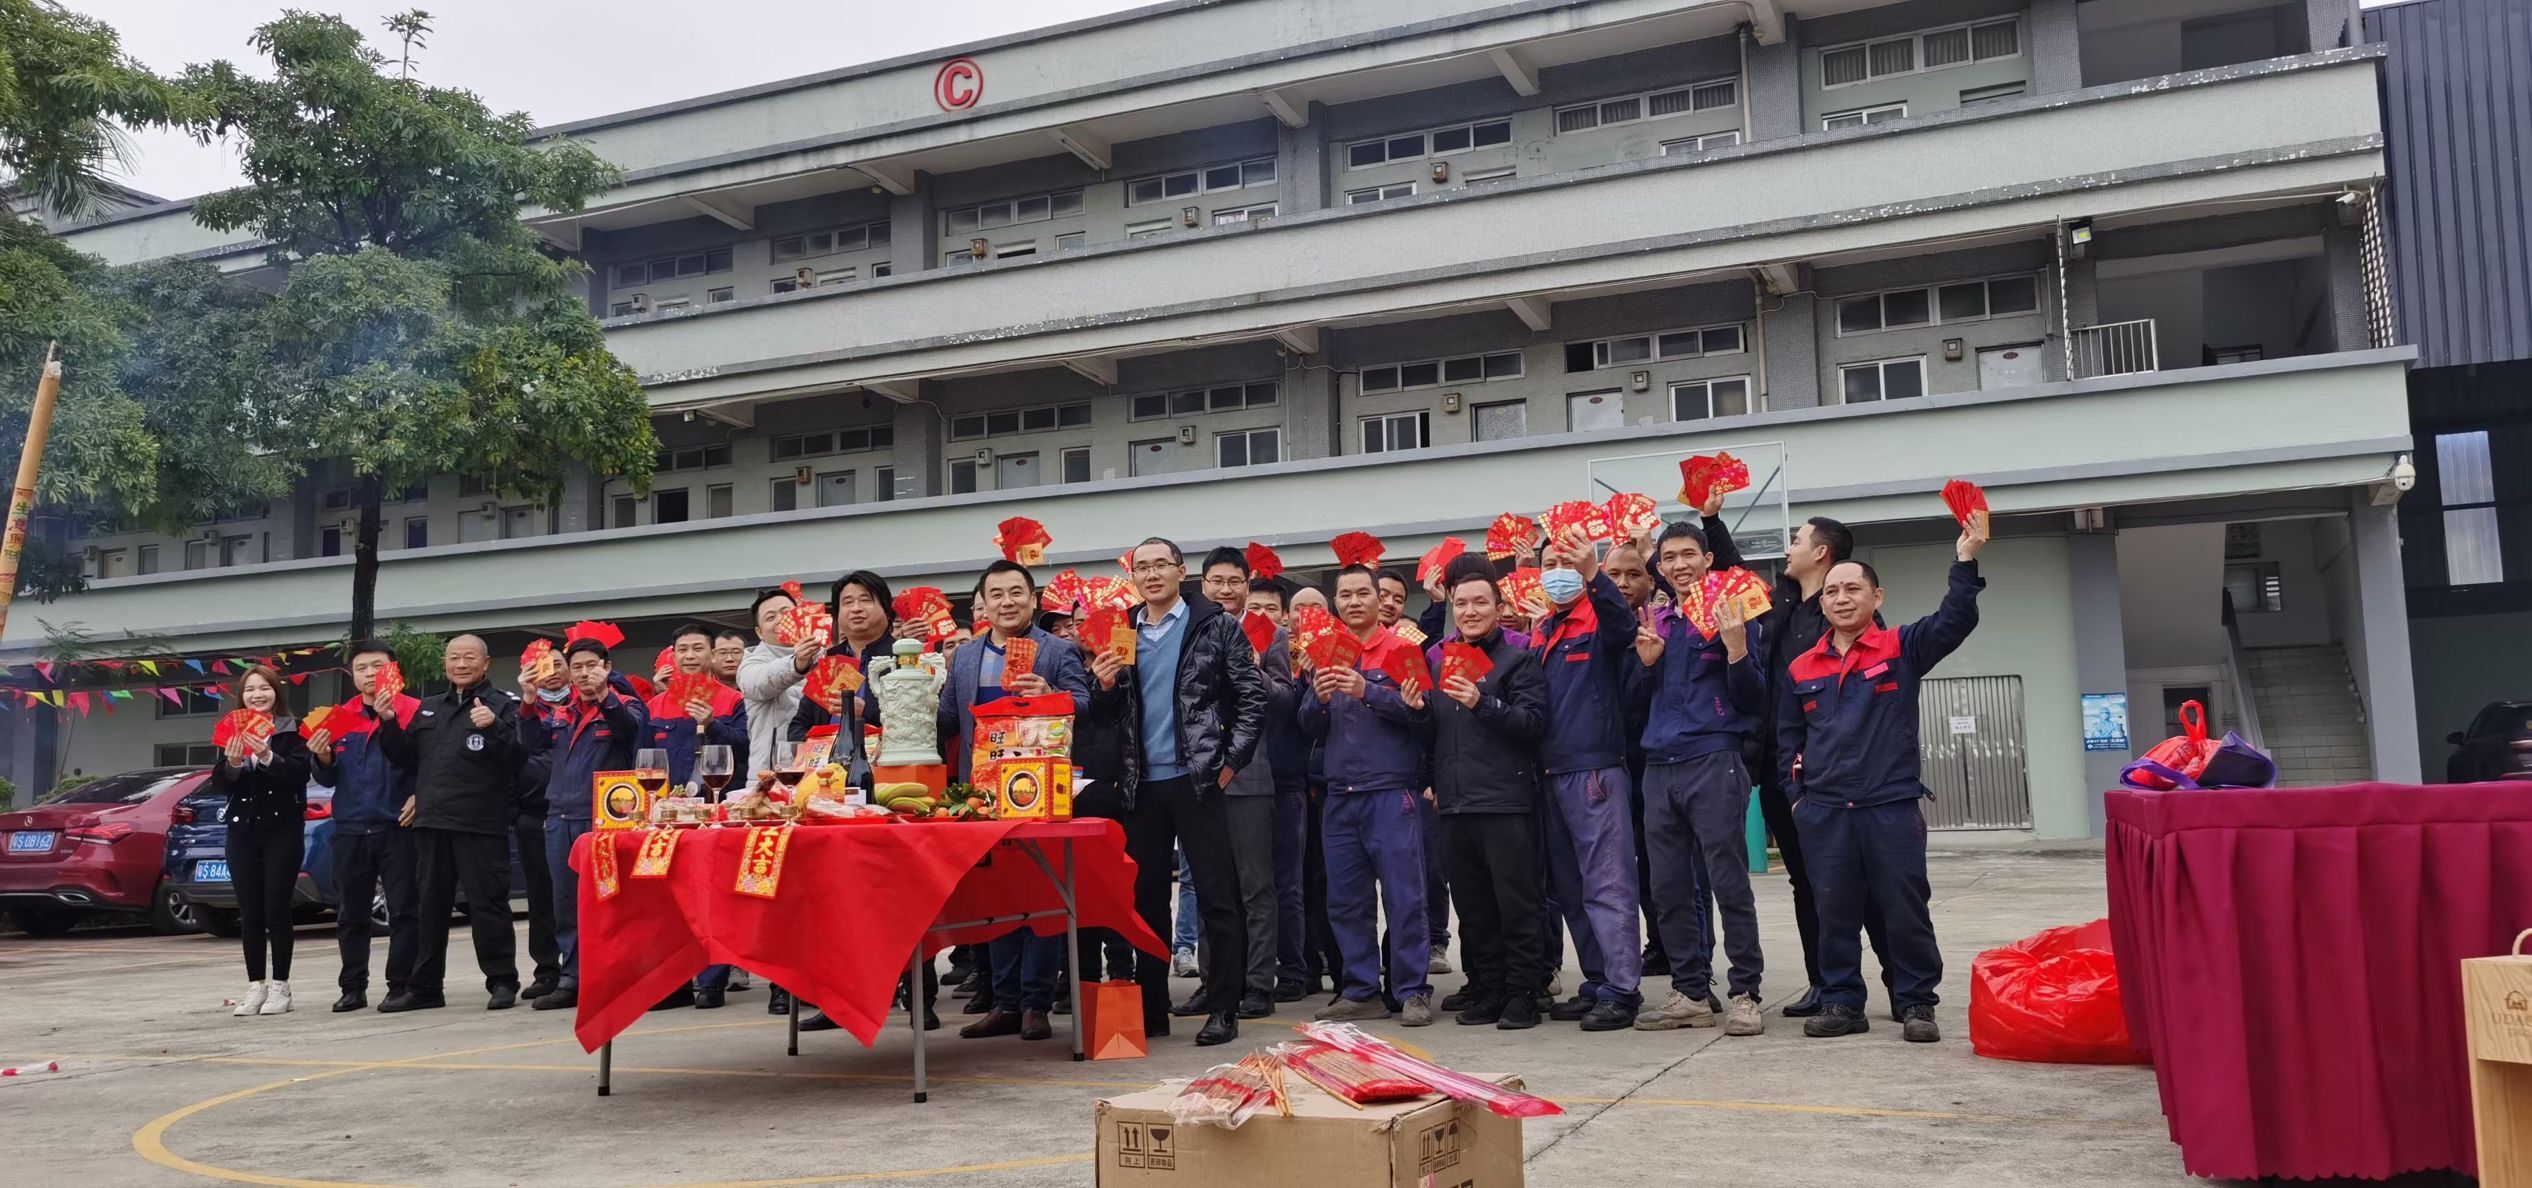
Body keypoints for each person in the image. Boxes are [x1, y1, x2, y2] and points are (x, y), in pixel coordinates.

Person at [1778, 519, 1987, 1042]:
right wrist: (1798, 798)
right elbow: (1789, 738)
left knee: (1904, 908)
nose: (1841, 598)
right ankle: (1842, 1002)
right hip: (1826, 811)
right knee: (1833, 911)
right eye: (1832, 592)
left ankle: (1916, 1002)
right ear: (1822, 602)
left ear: (1877, 597)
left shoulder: (1901, 647)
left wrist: (1965, 560)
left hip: (1889, 806)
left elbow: (1955, 620)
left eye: (1853, 589)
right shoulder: (1802, 667)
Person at [1088, 536, 1266, 1046]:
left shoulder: (1214, 624)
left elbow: (1251, 700)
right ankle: (1152, 1009)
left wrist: (1229, 765)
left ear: (1181, 571)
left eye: (1160, 565)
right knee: (1146, 900)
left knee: (1217, 896)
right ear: (1133, 577)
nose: (1151, 574)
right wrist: (1103, 686)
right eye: (1141, 567)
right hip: (1141, 785)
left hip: (1198, 780)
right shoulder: (1122, 629)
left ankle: (1224, 1007)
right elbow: (1108, 717)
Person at [940, 560, 1090, 1043]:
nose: (1007, 602)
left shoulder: (1058, 649)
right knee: (998, 898)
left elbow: (1084, 704)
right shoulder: (966, 656)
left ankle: (1035, 1005)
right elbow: (947, 718)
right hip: (983, 794)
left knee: (1041, 896)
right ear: (983, 604)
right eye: (997, 594)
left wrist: (1050, 693)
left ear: (1033, 599)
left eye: (1016, 593)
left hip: (1040, 790)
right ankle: (1005, 1003)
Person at [1630, 521, 1768, 1035]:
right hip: (1659, 767)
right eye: (1669, 557)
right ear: (1659, 567)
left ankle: (1745, 993)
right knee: (1667, 888)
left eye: (1689, 554)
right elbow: (1634, 703)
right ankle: (1689, 991)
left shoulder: (1736, 612)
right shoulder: (1657, 620)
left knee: (1728, 882)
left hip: (1714, 759)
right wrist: (1645, 666)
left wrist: (1736, 651)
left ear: (1708, 560)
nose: (1679, 565)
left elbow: (1755, 698)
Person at [1755, 516, 1895, 1018]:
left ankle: (1901, 984)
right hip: (1786, 773)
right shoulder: (1783, 606)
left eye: (1796, 541)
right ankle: (1824, 983)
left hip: (1842, 776)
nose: (1787, 549)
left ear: (1821, 552)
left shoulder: (1847, 616)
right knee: (1806, 882)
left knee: (1868, 883)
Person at [1301, 565, 1436, 1026]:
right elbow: (1307, 725)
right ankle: (1361, 989)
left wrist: (1369, 691)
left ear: (1382, 600)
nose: (1354, 602)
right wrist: (1318, 700)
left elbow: (1423, 716)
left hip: (1390, 791)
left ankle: (1413, 990)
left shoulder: (1403, 650)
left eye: (1363, 593)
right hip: (1340, 794)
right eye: (1345, 595)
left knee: (1405, 896)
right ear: (1335, 603)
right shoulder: (1325, 652)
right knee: (1346, 900)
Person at [1424, 568, 1549, 1029]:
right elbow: (1432, 732)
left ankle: (1525, 991)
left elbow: (1533, 724)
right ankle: (1488, 985)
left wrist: (1483, 702)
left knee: (1516, 903)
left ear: (1499, 609)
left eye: (1480, 603)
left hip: (1504, 800)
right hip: (1454, 803)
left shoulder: (1519, 661)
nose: (1470, 611)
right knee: (1473, 906)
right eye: (1461, 603)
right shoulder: (1439, 660)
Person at [1532, 531, 1645, 1031]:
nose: (1557, 571)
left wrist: (1595, 573)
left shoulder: (1600, 618)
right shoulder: (1542, 629)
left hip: (1594, 770)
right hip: (1550, 772)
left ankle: (1622, 988)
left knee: (1608, 883)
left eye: (1567, 562)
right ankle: (1598, 979)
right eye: (1549, 563)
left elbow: (1624, 626)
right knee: (1571, 887)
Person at [374, 635, 524, 1012]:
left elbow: (518, 759)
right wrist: (388, 721)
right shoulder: (429, 708)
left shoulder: (503, 705)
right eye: (454, 658)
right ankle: (425, 988)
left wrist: (494, 727)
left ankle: (502, 981)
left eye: (469, 657)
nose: (461, 664)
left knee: (487, 905)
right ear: (445, 664)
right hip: (433, 822)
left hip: (480, 822)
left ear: (485, 663)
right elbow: (404, 758)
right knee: (429, 908)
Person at [519, 632, 649, 1012]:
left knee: (611, 901)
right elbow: (531, 744)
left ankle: (619, 974)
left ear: (607, 667)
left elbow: (628, 732)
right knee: (566, 903)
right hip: (560, 815)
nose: (583, 673)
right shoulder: (563, 711)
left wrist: (605, 695)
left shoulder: (625, 704)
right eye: (577, 667)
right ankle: (572, 977)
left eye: (592, 665)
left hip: (606, 819)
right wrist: (528, 699)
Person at [1193, 548, 1293, 1020]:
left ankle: (1257, 985)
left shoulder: (1271, 634)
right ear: (1203, 585)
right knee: (1209, 886)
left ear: (1247, 585)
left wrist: (1255, 672)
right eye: (1216, 581)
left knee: (1256, 887)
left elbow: (1287, 698)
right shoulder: (1191, 630)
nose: (1225, 590)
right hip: (1197, 775)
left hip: (1250, 774)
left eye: (1234, 581)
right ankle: (1213, 983)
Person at [311, 640, 420, 1013]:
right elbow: (327, 779)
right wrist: (322, 756)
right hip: (351, 828)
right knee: (351, 914)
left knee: (404, 911)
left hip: (398, 826)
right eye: (361, 668)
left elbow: (427, 763)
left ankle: (400, 985)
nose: (370, 674)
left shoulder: (414, 711)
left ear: (393, 669)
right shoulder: (338, 717)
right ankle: (352, 987)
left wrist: (420, 795)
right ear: (351, 675)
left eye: (377, 666)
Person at [644, 622, 749, 1007]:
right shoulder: (655, 705)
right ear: (673, 655)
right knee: (669, 899)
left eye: (698, 649)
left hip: (714, 811)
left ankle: (712, 982)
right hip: (667, 814)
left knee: (714, 895)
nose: (690, 656)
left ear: (712, 655)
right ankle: (675, 984)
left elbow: (745, 747)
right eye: (683, 649)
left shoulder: (732, 700)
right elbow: (641, 760)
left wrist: (712, 724)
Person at [212, 665, 314, 1017]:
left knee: (276, 909)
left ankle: (281, 986)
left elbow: (300, 773)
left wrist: (268, 756)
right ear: (241, 697)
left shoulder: (293, 730)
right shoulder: (232, 730)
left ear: (276, 692)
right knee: (250, 911)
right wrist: (234, 763)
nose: (257, 695)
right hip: (242, 831)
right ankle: (256, 985)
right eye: (250, 690)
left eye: (264, 688)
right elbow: (219, 783)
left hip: (282, 829)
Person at [1246, 577, 1310, 1002]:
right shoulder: (1228, 638)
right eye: (1255, 608)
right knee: (1250, 885)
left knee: (1287, 884)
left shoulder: (1282, 645)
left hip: (1284, 778)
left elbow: (1288, 702)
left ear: (1284, 615)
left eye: (1271, 609)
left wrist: (1255, 672)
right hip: (1240, 780)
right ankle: (1253, 969)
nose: (1262, 617)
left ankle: (1293, 970)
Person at [510, 661, 566, 1004]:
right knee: (541, 898)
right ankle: (547, 970)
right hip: (533, 816)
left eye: (559, 664)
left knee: (576, 896)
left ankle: (582, 968)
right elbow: (511, 757)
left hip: (578, 815)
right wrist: (515, 811)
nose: (552, 671)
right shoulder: (521, 710)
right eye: (542, 666)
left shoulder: (586, 704)